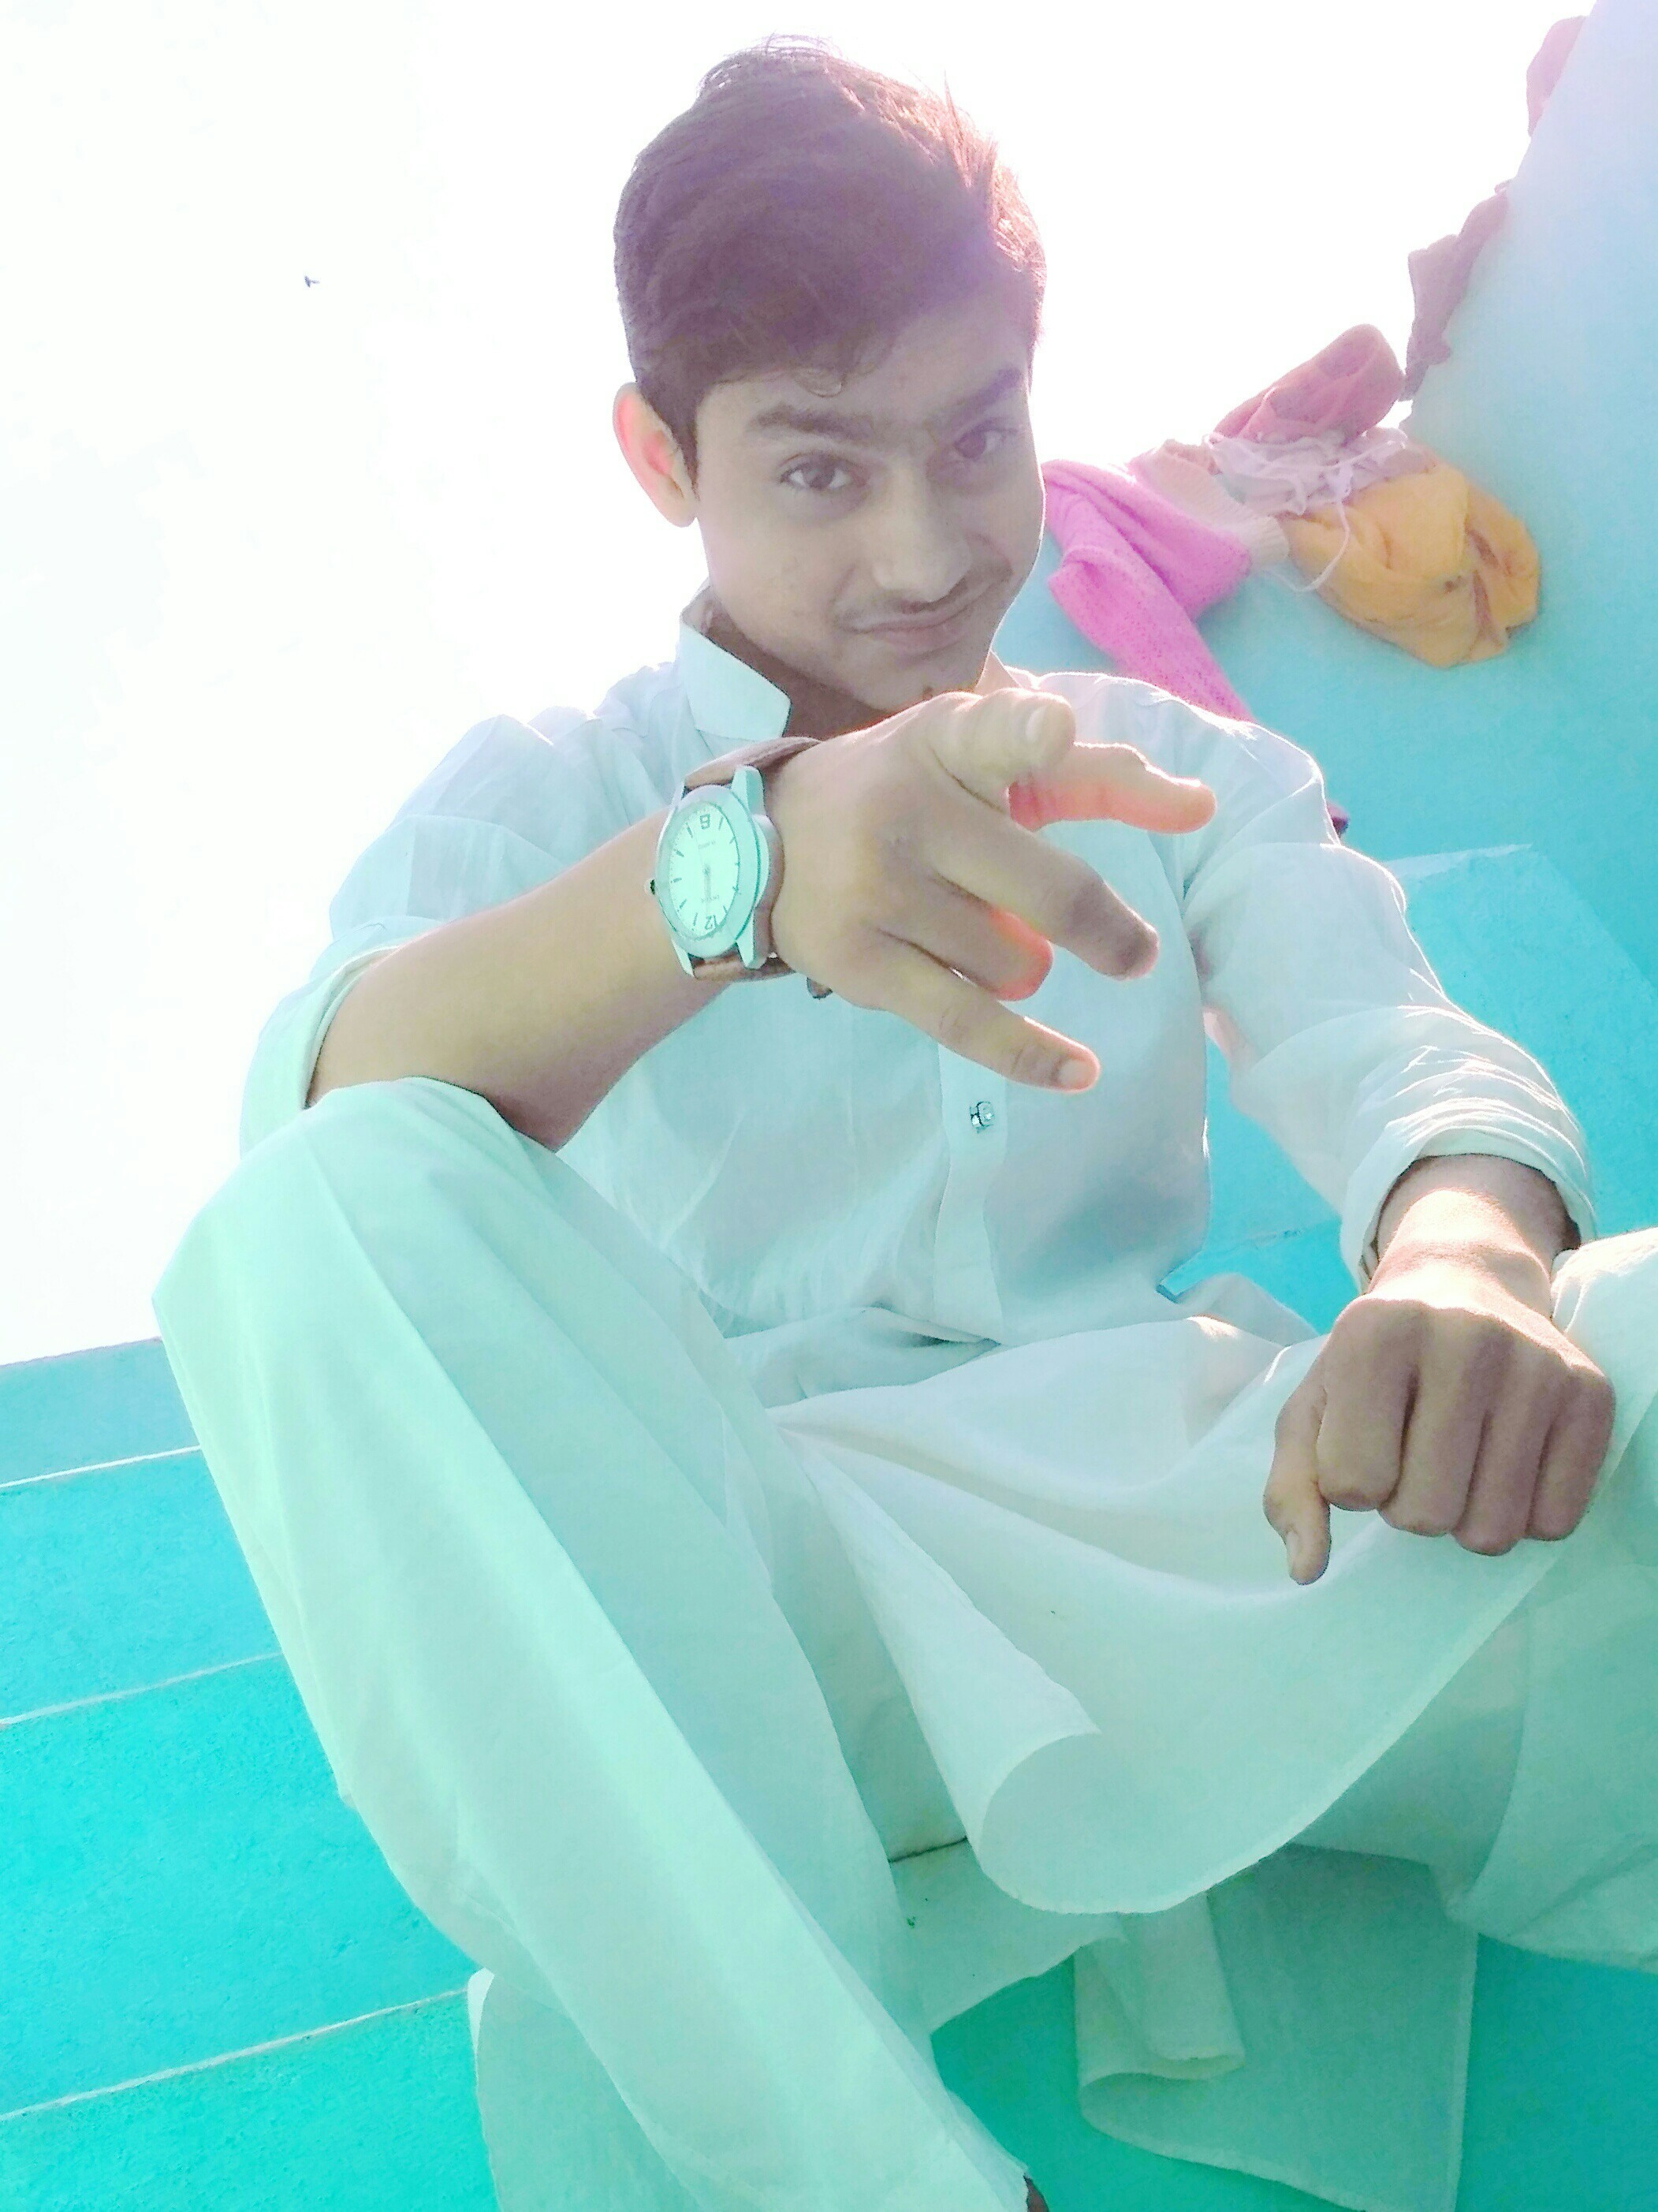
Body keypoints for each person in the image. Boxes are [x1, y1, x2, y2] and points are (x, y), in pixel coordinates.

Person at [152, 36, 1658, 2212]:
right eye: (820, 469)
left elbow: (1401, 1052)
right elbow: (317, 1134)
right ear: (660, 457)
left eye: (978, 439)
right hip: (755, 1620)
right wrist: (745, 875)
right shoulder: (552, 792)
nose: (928, 546)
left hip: (1233, 1527)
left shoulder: (1178, 767)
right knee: (320, 1211)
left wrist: (1468, 1259)